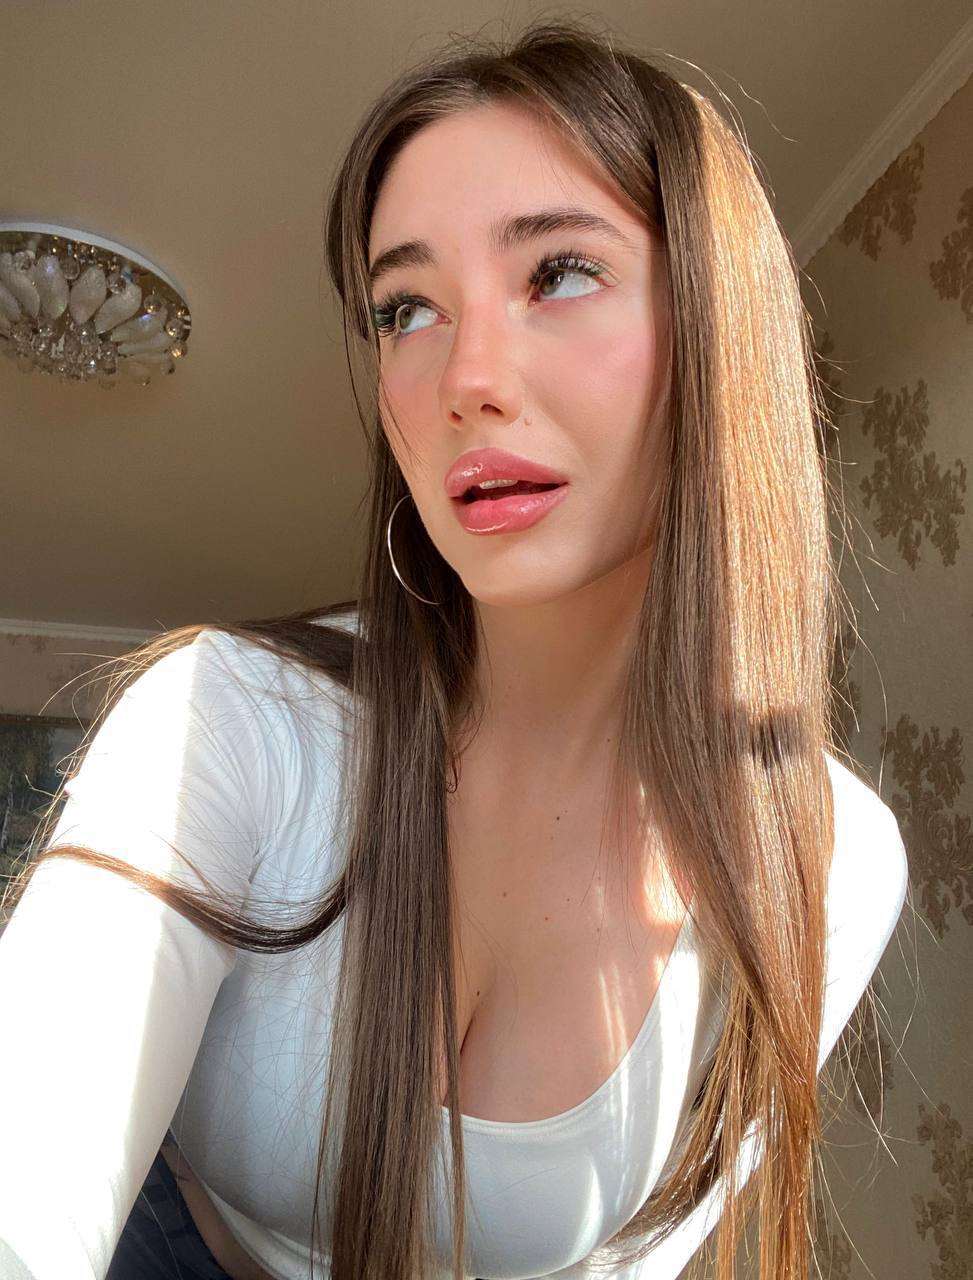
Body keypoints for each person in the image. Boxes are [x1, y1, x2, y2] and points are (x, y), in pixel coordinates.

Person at [0, 18, 909, 1280]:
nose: (464, 378)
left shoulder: (830, 858)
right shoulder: (228, 717)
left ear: (718, 331)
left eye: (561, 272)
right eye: (408, 307)